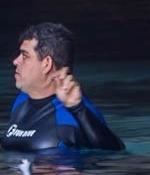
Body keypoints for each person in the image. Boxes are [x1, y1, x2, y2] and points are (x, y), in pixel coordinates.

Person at [5, 23, 124, 152]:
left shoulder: (74, 113)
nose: (15, 61)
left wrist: (77, 108)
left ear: (46, 64)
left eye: (25, 56)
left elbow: (114, 151)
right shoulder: (22, 99)